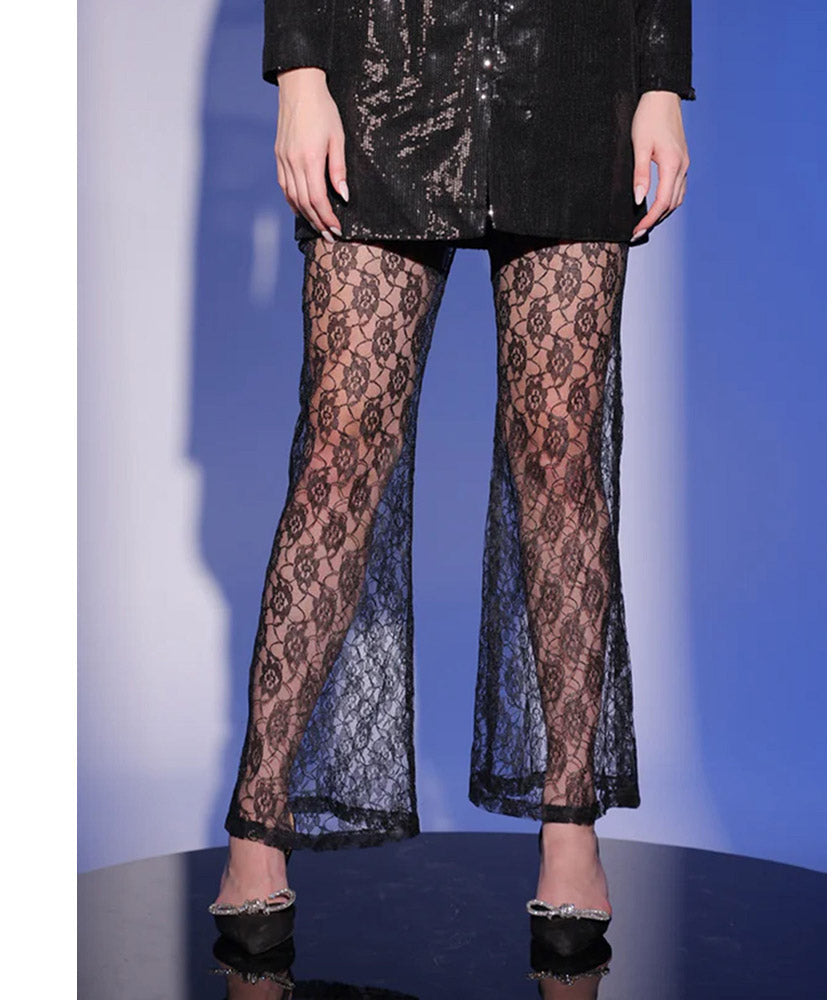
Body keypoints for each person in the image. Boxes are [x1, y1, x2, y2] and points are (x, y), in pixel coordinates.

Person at [209, 0, 695, 955]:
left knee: (560, 461)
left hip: (571, 63)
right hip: (383, 61)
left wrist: (659, 80)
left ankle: (570, 817)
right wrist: (299, 73)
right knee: (340, 457)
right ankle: (260, 816)